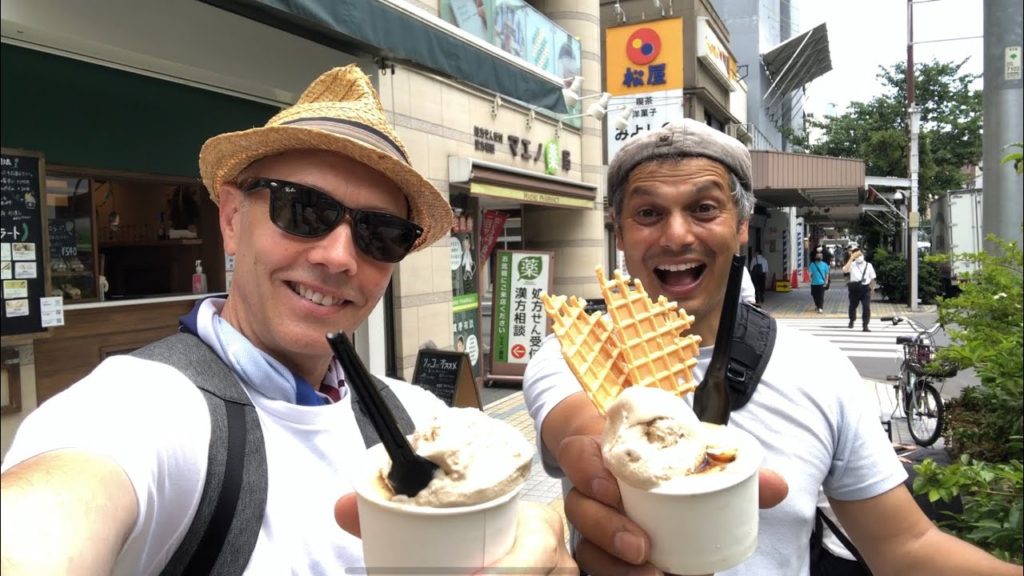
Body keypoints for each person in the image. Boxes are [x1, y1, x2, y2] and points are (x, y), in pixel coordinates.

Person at [0, 66, 573, 575]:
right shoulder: (141, 405)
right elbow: (42, 523)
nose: (340, 256)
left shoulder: (418, 418)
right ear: (230, 218)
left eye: (381, 234)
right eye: (303, 210)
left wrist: (539, 539)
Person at [522, 119, 1019, 575]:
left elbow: (906, 546)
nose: (676, 235)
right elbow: (583, 432)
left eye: (704, 208)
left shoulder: (821, 369)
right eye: (648, 213)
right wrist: (599, 472)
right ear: (620, 231)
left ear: (741, 225)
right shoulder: (569, 354)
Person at [843, 246, 876, 331]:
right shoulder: (852, 264)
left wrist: (873, 288)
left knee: (866, 306)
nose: (859, 257)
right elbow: (845, 270)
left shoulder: (869, 265)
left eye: (860, 254)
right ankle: (852, 320)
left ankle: (865, 325)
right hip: (854, 288)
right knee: (853, 306)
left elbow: (872, 277)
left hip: (865, 288)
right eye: (857, 255)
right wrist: (851, 258)